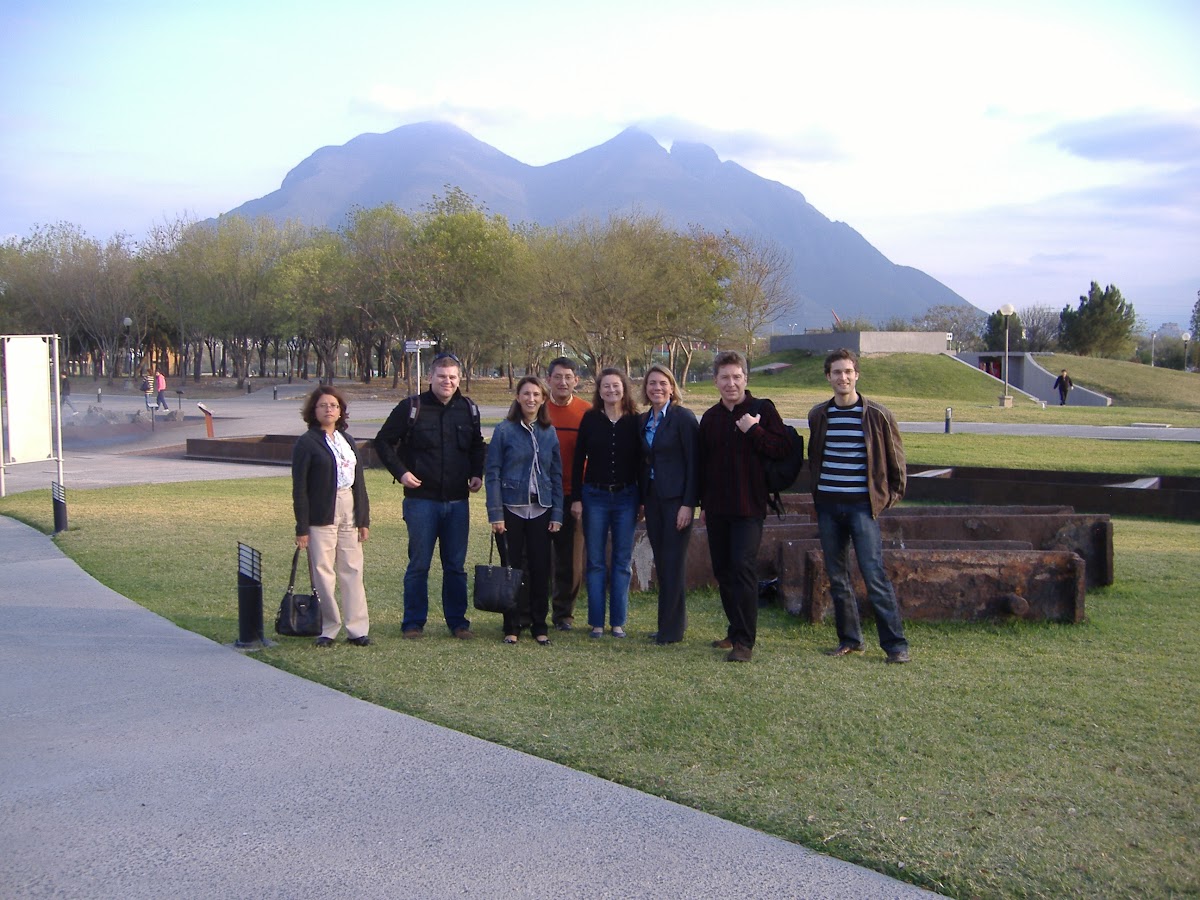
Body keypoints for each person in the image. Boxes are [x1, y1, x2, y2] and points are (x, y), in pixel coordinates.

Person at [807, 348, 910, 664]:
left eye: (848, 371)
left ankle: (895, 645)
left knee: (873, 574)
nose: (843, 377)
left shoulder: (877, 414)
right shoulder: (818, 415)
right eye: (837, 372)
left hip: (862, 508)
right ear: (828, 377)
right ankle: (850, 638)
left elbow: (896, 462)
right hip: (828, 506)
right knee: (837, 576)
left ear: (857, 375)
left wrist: (887, 497)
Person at [375, 353, 485, 640]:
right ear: (431, 377)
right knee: (419, 564)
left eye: (452, 377)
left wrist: (477, 473)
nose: (447, 381)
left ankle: (458, 623)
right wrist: (401, 473)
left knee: (455, 566)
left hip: (458, 501)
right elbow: (383, 441)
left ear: (459, 379)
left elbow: (477, 445)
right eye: (441, 376)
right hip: (421, 500)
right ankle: (413, 622)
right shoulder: (411, 407)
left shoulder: (468, 409)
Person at [697, 350, 790, 662]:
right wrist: (701, 503)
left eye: (737, 377)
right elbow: (703, 465)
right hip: (718, 507)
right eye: (725, 377)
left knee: (743, 568)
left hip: (749, 506)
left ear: (746, 379)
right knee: (724, 570)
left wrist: (754, 430)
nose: (731, 383)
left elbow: (782, 449)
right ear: (715, 381)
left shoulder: (762, 410)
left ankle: (745, 643)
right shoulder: (710, 418)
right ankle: (734, 629)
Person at [485, 376, 564, 645]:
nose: (531, 399)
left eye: (536, 395)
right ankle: (512, 625)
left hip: (541, 510)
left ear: (543, 399)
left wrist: (557, 514)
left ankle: (540, 625)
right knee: (512, 569)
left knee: (541, 569)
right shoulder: (504, 430)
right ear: (518, 397)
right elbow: (492, 473)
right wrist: (495, 513)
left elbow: (556, 474)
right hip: (510, 509)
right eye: (526, 394)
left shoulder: (548, 431)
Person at [292, 385, 371, 647]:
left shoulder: (346, 440)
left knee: (352, 568)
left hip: (349, 506)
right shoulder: (307, 442)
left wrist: (363, 520)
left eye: (334, 405)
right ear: (314, 411)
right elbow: (299, 487)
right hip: (320, 513)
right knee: (323, 571)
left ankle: (357, 629)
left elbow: (359, 481)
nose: (329, 409)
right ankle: (329, 627)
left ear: (341, 411)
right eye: (323, 405)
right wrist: (302, 527)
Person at [571, 367, 640, 639]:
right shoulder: (590, 419)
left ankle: (618, 623)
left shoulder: (635, 420)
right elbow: (578, 460)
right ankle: (597, 622)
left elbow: (642, 463)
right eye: (606, 387)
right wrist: (576, 498)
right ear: (599, 391)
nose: (611, 391)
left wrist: (642, 500)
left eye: (616, 386)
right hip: (594, 496)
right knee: (596, 561)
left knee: (622, 561)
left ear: (624, 388)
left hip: (626, 497)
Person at [637, 364, 699, 645]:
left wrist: (689, 504)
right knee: (662, 563)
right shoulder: (643, 420)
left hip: (676, 502)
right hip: (653, 499)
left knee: (674, 563)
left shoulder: (683, 418)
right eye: (652, 384)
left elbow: (694, 464)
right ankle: (665, 625)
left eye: (662, 383)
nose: (657, 388)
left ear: (672, 388)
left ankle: (673, 631)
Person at [544, 357, 590, 631]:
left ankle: (563, 615)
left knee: (570, 561)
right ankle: (531, 610)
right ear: (548, 379)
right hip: (539, 496)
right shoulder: (537, 409)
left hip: (573, 496)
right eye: (557, 377)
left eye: (568, 377)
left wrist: (581, 497)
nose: (563, 382)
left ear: (576, 380)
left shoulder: (586, 411)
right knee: (535, 557)